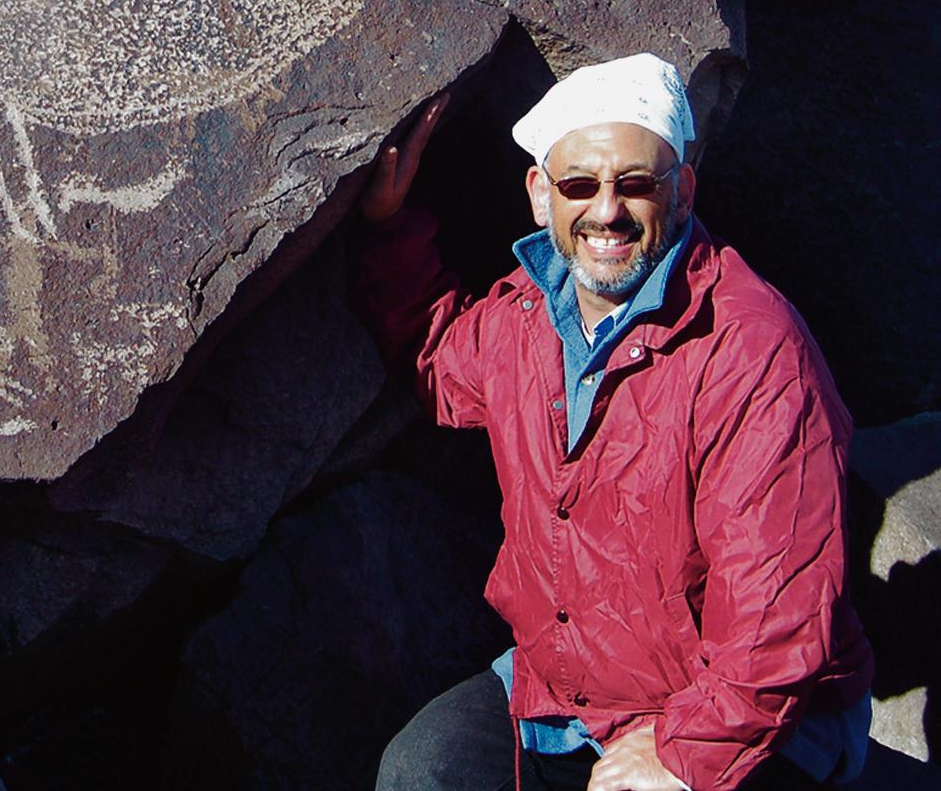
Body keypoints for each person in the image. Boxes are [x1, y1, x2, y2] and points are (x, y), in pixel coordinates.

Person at [352, 54, 873, 791]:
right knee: (421, 772)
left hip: (748, 715)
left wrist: (683, 751)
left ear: (682, 190)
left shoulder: (754, 353)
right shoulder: (527, 316)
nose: (606, 211)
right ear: (541, 196)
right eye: (578, 185)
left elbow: (779, 614)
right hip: (569, 696)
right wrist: (385, 226)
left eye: (636, 183)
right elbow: (441, 358)